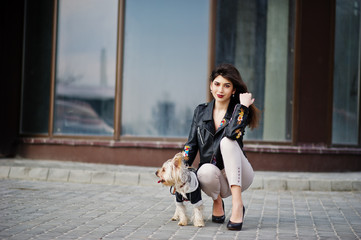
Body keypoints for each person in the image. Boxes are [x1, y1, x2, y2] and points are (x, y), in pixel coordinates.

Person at [183, 63, 260, 231]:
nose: (221, 89)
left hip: (240, 173)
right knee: (203, 170)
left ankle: (237, 204)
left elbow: (232, 134)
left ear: (233, 90)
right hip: (216, 178)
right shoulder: (200, 111)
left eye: (227, 85)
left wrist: (243, 107)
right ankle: (217, 202)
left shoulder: (238, 111)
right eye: (217, 84)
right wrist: (180, 169)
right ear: (211, 86)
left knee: (227, 141)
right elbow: (191, 144)